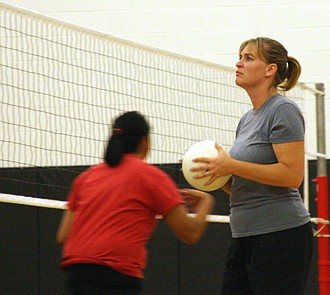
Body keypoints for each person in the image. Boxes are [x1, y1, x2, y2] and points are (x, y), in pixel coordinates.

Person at [191, 37, 313, 295]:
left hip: (281, 234)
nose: (238, 63)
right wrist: (212, 173)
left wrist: (232, 164)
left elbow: (292, 176)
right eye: (239, 57)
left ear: (270, 70)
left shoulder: (283, 110)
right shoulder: (247, 120)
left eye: (248, 58)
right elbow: (245, 188)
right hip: (244, 235)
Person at [56, 111, 214, 295]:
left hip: (76, 273)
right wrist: (206, 202)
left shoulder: (86, 177)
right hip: (115, 276)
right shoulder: (151, 176)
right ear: (144, 141)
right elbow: (191, 233)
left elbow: (63, 236)